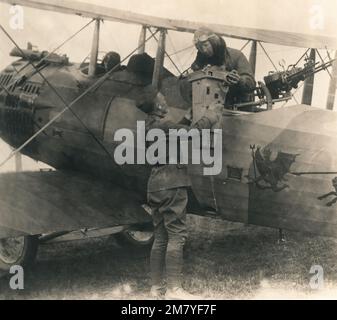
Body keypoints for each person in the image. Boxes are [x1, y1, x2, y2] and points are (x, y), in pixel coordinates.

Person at [144, 91, 223, 300]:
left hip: (155, 183)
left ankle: (155, 288)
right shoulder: (164, 126)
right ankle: (174, 290)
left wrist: (187, 118)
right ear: (158, 107)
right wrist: (212, 116)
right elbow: (191, 133)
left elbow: (172, 134)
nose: (165, 100)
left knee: (160, 236)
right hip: (173, 183)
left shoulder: (150, 126)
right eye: (162, 99)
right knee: (177, 236)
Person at [192, 27, 256, 105]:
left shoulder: (236, 56)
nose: (204, 50)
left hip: (237, 106)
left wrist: (239, 80)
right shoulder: (201, 60)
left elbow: (251, 83)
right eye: (200, 48)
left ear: (214, 42)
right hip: (211, 106)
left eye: (206, 45)